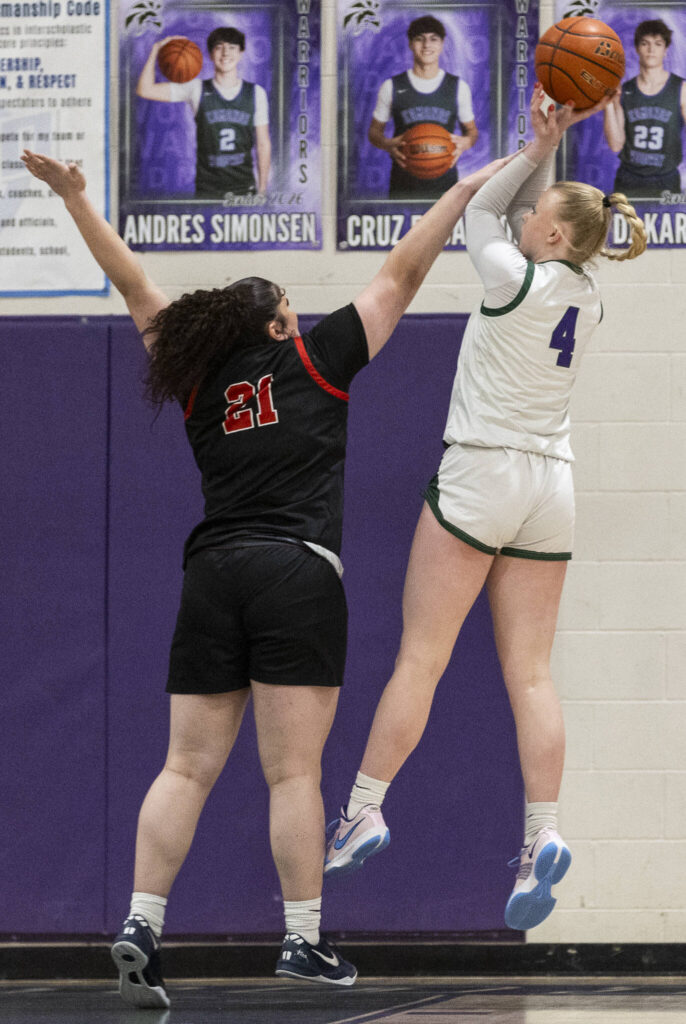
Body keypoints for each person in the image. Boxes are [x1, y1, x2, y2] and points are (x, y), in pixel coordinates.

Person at [21, 141, 511, 1007]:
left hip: (213, 572)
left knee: (183, 768)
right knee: (291, 775)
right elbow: (402, 272)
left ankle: (139, 922)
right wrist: (466, 188)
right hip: (297, 573)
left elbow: (134, 285)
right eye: (291, 305)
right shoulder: (317, 358)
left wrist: (75, 200)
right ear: (282, 326)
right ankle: (302, 940)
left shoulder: (198, 376)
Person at [324, 85, 647, 932]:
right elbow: (513, 209)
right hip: (552, 489)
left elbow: (478, 204)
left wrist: (541, 145)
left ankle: (363, 808)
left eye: (539, 213)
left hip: (483, 476)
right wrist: (550, 147)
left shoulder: (514, 275)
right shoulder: (589, 295)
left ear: (550, 234)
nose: (526, 216)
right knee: (532, 675)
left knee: (421, 659)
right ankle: (542, 831)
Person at [137, 26, 271, 199]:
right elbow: (145, 90)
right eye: (219, 47)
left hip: (244, 189)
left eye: (232, 47)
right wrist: (156, 50)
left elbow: (263, 144)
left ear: (241, 53)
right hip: (208, 189)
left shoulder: (255, 93)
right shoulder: (195, 89)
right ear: (209, 54)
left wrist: (262, 191)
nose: (225, 53)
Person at [368, 15, 478, 199]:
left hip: (445, 184)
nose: (427, 45)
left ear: (442, 44)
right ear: (411, 44)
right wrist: (387, 144)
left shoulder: (458, 87)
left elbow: (472, 132)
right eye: (420, 39)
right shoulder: (392, 86)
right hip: (403, 183)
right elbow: (374, 132)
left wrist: (466, 142)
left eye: (433, 39)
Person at [603, 18, 686, 198]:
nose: (651, 49)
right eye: (645, 43)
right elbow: (616, 145)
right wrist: (608, 103)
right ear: (637, 48)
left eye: (658, 44)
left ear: (666, 50)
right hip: (628, 179)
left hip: (666, 179)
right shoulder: (624, 90)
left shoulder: (681, 88)